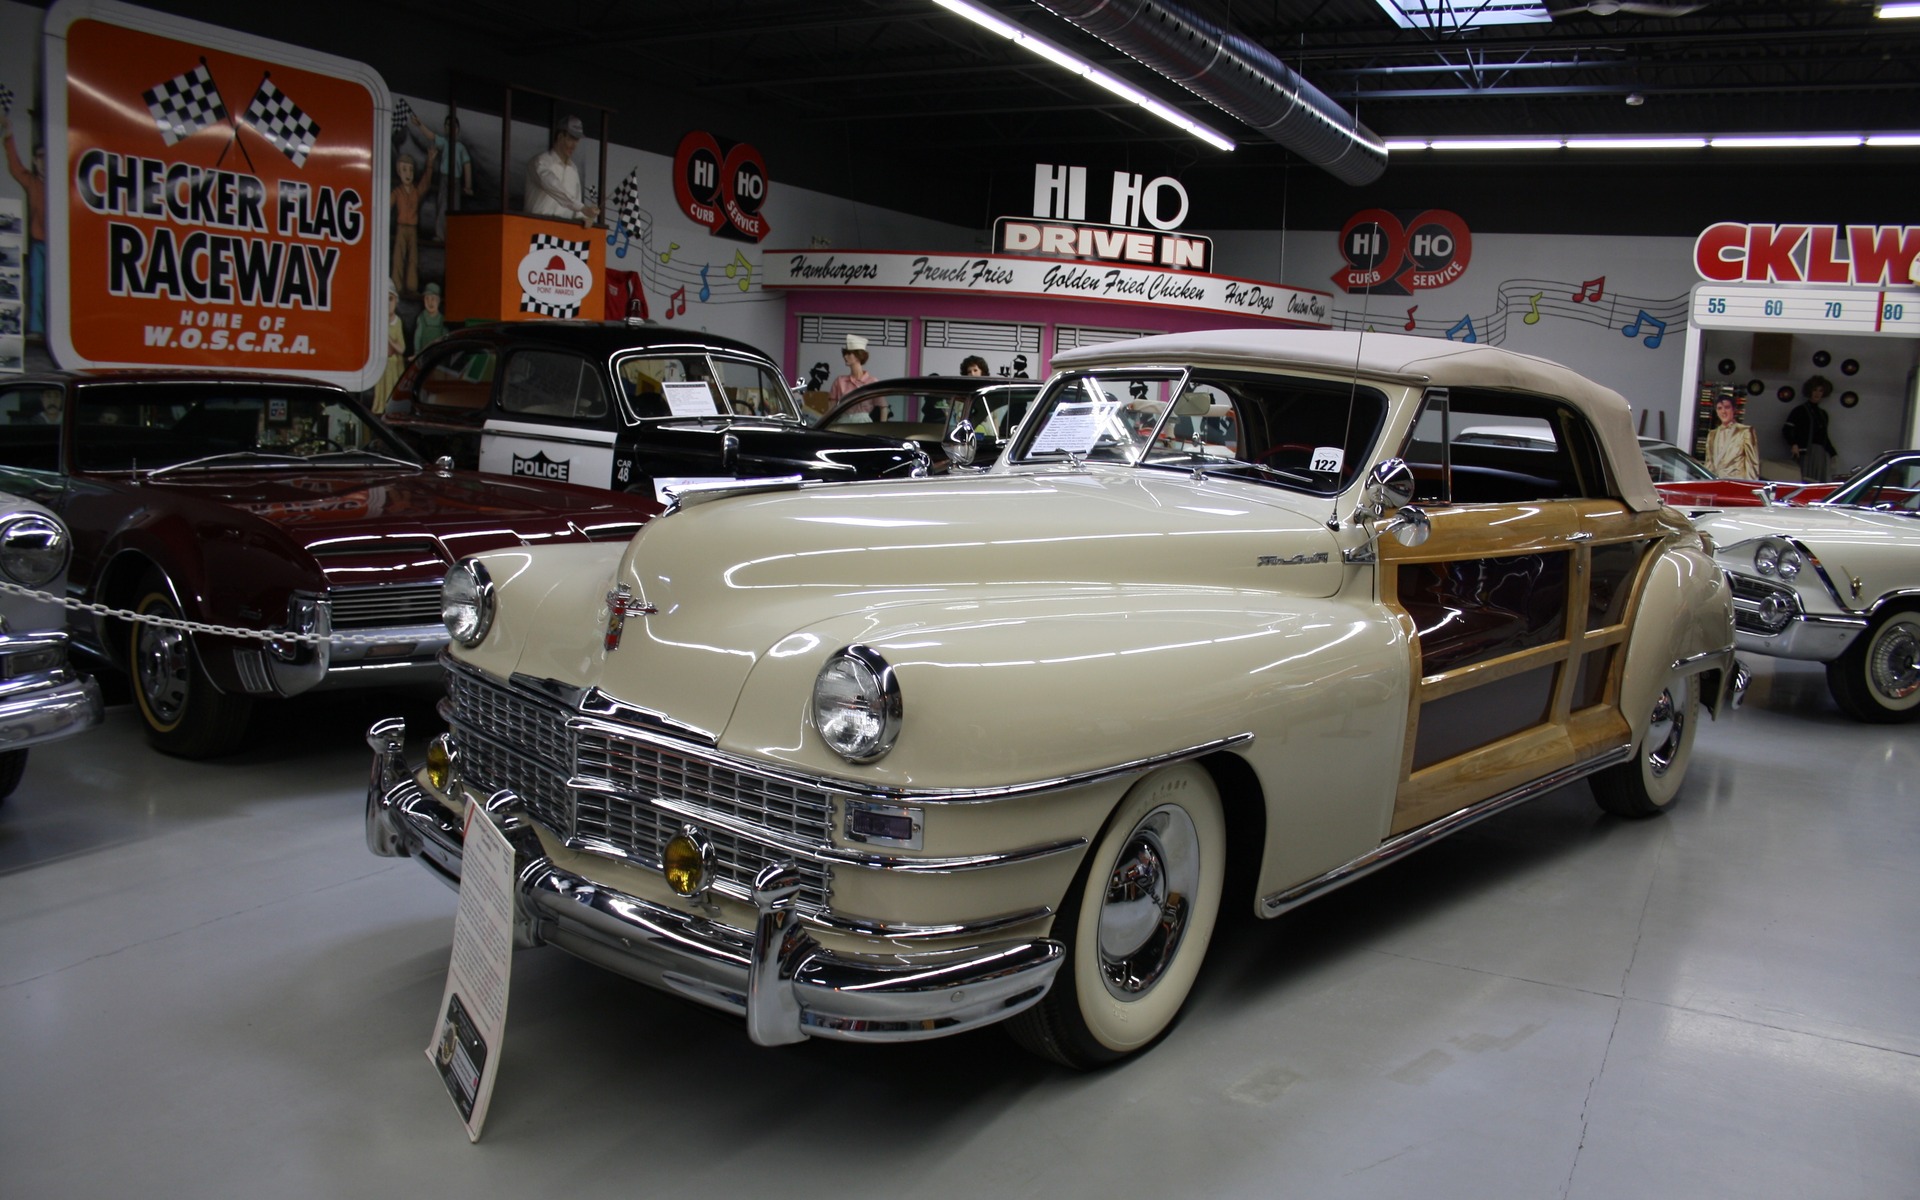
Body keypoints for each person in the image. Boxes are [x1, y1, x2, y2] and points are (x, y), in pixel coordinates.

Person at [2, 111, 46, 337]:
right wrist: (8, 135)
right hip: (39, 244)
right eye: (39, 156)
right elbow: (15, 167)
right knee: (37, 287)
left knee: (57, 291)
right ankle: (37, 329)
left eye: (47, 157)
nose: (43, 161)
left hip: (59, 247)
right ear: (34, 160)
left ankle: (54, 329)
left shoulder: (61, 184)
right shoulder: (31, 181)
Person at [525, 115, 599, 226]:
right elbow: (551, 184)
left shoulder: (573, 169)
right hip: (536, 228)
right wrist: (582, 208)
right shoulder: (540, 162)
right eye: (571, 139)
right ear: (560, 137)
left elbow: (577, 206)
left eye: (577, 140)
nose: (574, 145)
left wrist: (585, 217)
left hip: (563, 233)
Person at [390, 147, 435, 298]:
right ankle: (396, 286)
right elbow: (386, 206)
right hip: (401, 227)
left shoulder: (415, 192)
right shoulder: (397, 192)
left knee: (413, 258)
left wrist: (430, 162)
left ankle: (411, 287)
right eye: (404, 170)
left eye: (410, 170)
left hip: (413, 228)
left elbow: (426, 183)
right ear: (399, 171)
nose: (408, 174)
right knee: (398, 257)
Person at [1783, 374, 1838, 483]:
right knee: (1804, 479)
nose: (1817, 393)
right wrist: (1793, 444)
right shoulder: (1799, 410)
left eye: (1820, 391)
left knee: (1818, 481)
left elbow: (1824, 436)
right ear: (1809, 391)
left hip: (1819, 453)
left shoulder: (1823, 414)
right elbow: (1786, 429)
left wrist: (1833, 453)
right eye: (1815, 390)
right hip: (1804, 452)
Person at [1703, 394, 1759, 479]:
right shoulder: (1712, 434)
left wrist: (1750, 488)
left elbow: (1752, 463)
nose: (1723, 411)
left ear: (1734, 409)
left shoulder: (1745, 431)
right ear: (1716, 411)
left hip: (1736, 484)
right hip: (1715, 484)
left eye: (1727, 407)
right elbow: (1709, 463)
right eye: (1720, 408)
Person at [374, 282, 405, 413]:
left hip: (394, 365)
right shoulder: (378, 321)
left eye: (390, 299)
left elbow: (401, 349)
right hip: (382, 364)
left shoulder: (397, 322)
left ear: (396, 301)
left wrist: (388, 338)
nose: (387, 303)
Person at [828, 334, 878, 405]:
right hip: (843, 416)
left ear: (859, 355)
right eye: (845, 353)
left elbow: (882, 407)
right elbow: (831, 407)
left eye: (849, 353)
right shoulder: (839, 381)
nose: (845, 357)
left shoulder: (873, 382)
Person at [412, 282, 449, 350]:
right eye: (427, 299)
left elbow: (445, 338)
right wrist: (417, 353)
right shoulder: (421, 318)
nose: (430, 302)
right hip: (424, 354)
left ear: (438, 301)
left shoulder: (442, 319)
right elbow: (417, 337)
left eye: (433, 299)